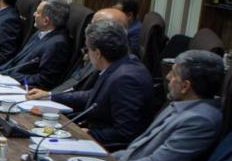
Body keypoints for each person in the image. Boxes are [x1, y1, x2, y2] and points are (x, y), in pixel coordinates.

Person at [26, 16, 155, 150]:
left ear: (97, 53)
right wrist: (50, 96)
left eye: (87, 49)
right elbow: (94, 96)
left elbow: (126, 133)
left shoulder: (125, 79)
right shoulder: (121, 64)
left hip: (107, 149)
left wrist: (88, 133)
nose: (86, 55)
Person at [112, 50, 223, 161]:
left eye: (174, 74)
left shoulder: (201, 121)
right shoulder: (180, 103)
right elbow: (135, 150)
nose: (168, 77)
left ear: (185, 86)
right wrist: (106, 159)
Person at [0, 0, 73, 90]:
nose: (34, 14)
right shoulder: (41, 32)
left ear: (46, 21)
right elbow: (16, 60)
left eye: (38, 12)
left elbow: (44, 80)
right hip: (8, 79)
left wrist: (13, 76)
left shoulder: (57, 45)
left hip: (23, 88)